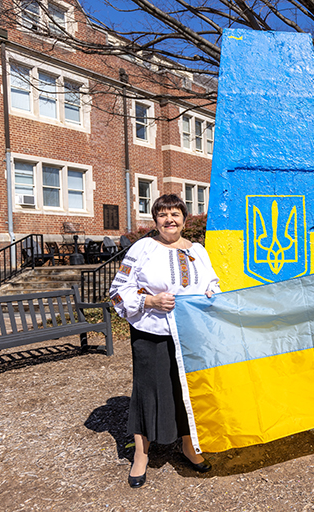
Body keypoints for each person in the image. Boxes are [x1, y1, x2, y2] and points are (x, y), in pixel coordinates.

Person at [109, 194, 221, 488]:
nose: (169, 219)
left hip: (189, 333)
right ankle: (142, 455)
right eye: (163, 214)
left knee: (187, 390)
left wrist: (211, 293)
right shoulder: (144, 248)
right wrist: (150, 301)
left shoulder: (199, 250)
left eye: (175, 214)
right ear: (155, 220)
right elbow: (118, 290)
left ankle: (188, 447)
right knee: (149, 391)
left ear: (184, 219)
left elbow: (211, 283)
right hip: (152, 333)